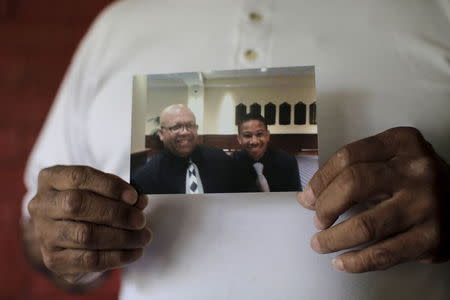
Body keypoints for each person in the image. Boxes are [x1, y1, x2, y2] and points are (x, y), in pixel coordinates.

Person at [22, 0, 450, 298]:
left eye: (190, 126)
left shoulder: (438, 12)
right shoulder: (115, 27)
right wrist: (60, 240)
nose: (184, 134)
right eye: (175, 129)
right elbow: (39, 233)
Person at [131, 104, 235, 194]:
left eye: (190, 126)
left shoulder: (220, 160)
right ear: (161, 134)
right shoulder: (147, 175)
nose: (185, 132)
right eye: (176, 127)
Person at [232, 113, 301, 192]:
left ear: (267, 135)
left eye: (259, 134)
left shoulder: (287, 161)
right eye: (247, 135)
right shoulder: (231, 163)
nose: (254, 141)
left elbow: (295, 196)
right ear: (239, 139)